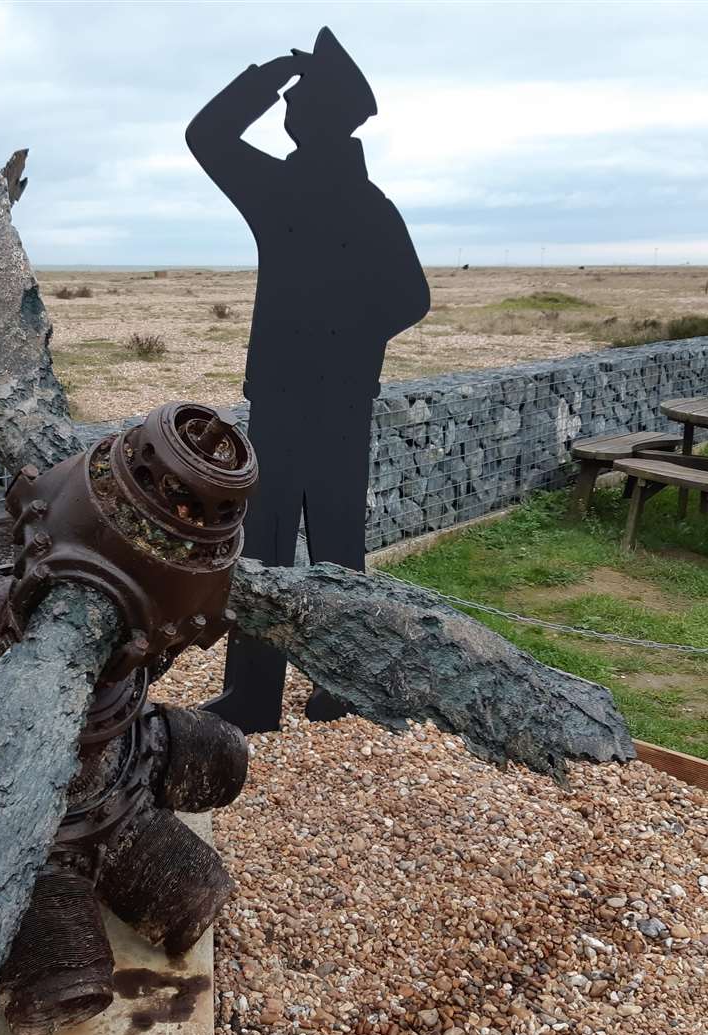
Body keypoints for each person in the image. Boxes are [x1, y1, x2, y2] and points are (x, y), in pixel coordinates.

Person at [187, 27, 430, 732]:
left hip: (292, 395)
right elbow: (409, 297)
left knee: (265, 546)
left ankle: (257, 698)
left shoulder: (283, 189)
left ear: (313, 113)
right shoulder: (370, 200)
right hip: (341, 398)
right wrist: (353, 346)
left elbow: (206, 135)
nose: (287, 106)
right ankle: (337, 685)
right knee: (336, 546)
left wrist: (265, 75)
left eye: (295, 98)